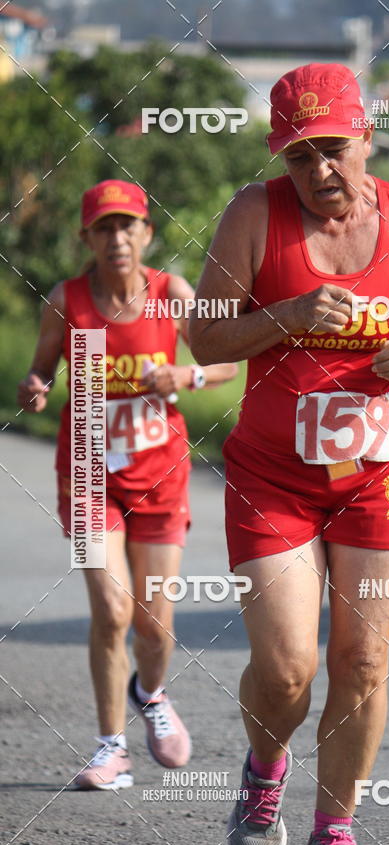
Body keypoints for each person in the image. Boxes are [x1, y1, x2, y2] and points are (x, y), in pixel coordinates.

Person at [190, 63, 389, 845]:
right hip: (274, 476)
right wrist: (286, 315)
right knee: (288, 667)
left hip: (378, 473)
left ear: (366, 139)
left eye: (333, 149)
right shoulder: (253, 214)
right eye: (299, 155)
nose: (319, 169)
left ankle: (335, 835)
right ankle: (264, 769)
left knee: (361, 659)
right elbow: (204, 336)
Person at [18, 179, 237, 790]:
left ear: (146, 233)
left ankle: (151, 691)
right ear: (86, 238)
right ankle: (110, 749)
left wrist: (186, 377)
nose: (116, 238)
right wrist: (35, 386)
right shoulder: (67, 300)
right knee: (112, 610)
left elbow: (226, 359)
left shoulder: (172, 294)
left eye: (127, 226)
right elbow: (41, 368)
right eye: (104, 228)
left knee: (154, 626)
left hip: (160, 475)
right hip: (88, 473)